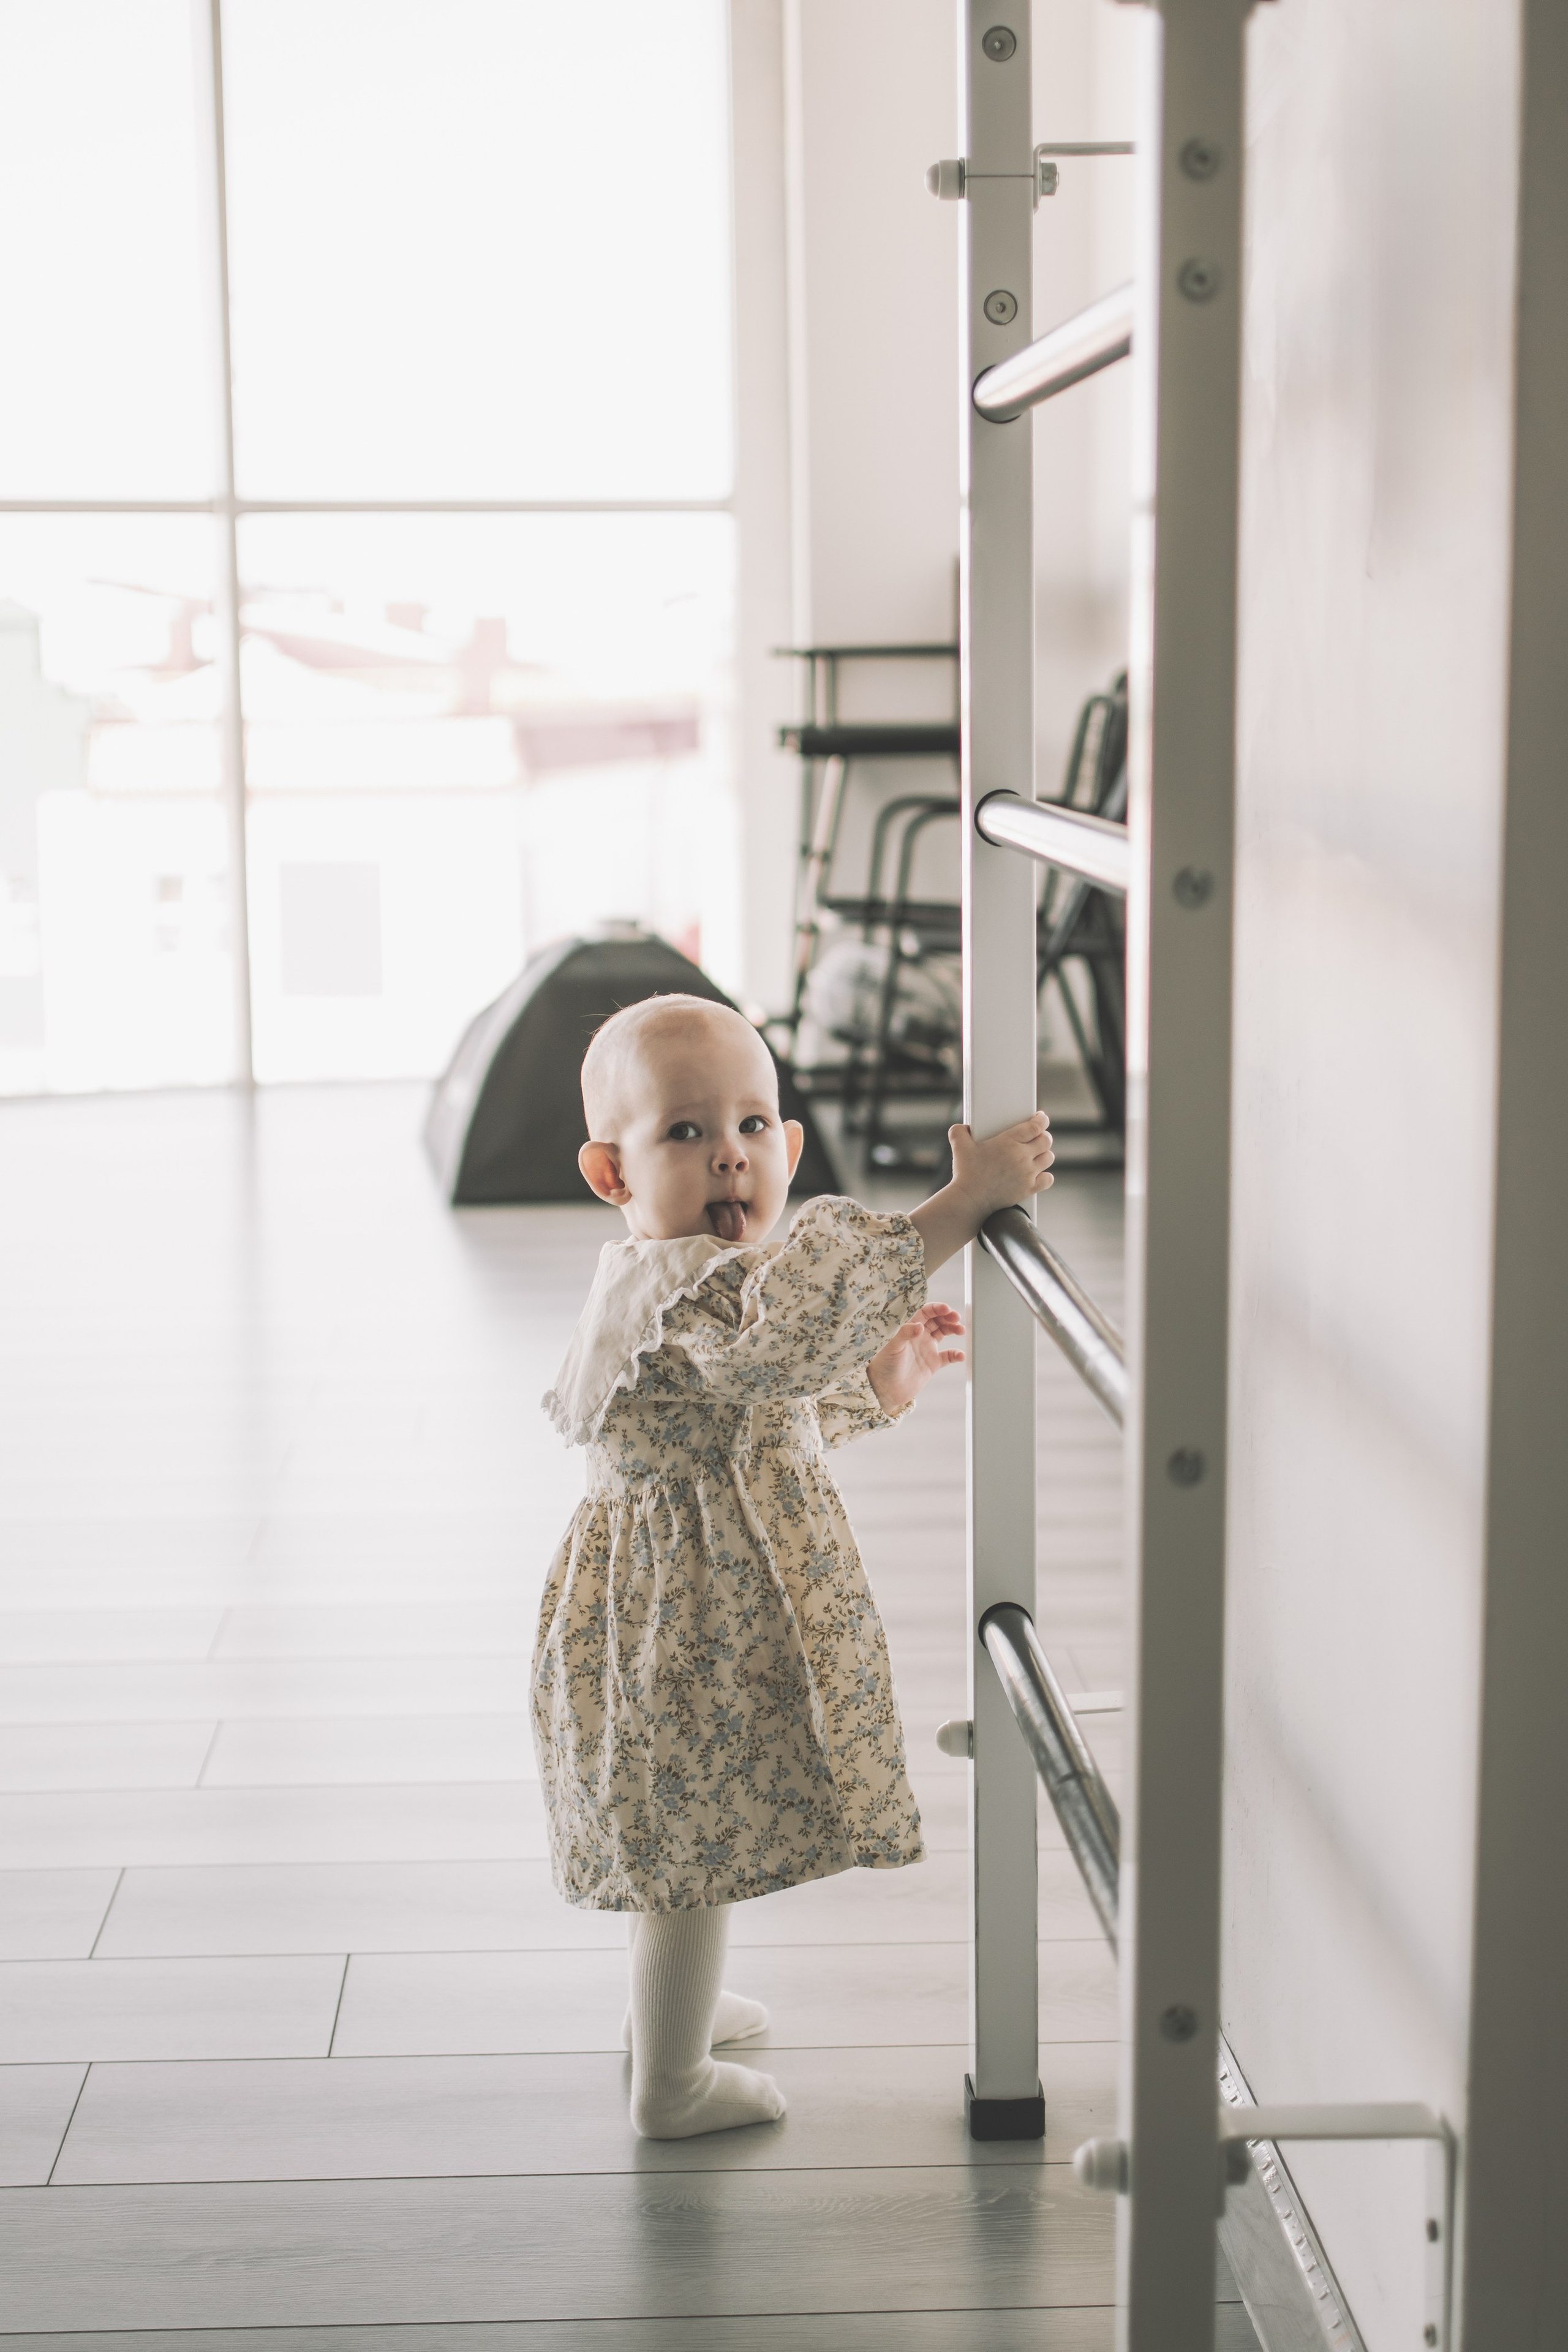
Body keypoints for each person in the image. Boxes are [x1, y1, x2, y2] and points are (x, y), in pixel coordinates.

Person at [533, 993, 1054, 2139]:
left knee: (685, 1829)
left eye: (755, 1124)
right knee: (691, 1854)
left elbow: (763, 1404)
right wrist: (961, 1207)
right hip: (688, 1616)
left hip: (679, 1597)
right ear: (611, 1174)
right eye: (684, 1132)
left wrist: (879, 1384)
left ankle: (665, 2016)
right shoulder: (694, 1289)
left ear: (792, 1145)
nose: (730, 1152)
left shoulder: (670, 1277)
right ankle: (668, 2087)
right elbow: (784, 1333)